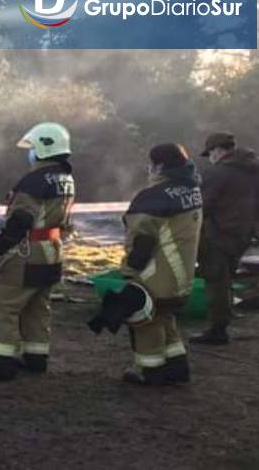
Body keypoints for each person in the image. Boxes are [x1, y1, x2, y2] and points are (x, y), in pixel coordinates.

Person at [88, 144, 202, 385]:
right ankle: (177, 365)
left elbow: (142, 242)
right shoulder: (192, 188)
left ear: (159, 165)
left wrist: (129, 274)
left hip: (156, 274)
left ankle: (149, 371)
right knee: (164, 316)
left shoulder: (153, 197)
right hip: (181, 275)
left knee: (144, 321)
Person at [0, 122, 75, 381]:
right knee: (38, 307)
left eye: (32, 148)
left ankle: (1, 364)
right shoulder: (66, 178)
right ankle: (36, 357)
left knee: (5, 307)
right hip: (52, 250)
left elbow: (21, 220)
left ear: (42, 148)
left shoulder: (33, 181)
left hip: (26, 253)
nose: (30, 153)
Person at [191, 133, 259, 345]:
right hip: (243, 234)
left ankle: (217, 330)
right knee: (227, 276)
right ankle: (225, 318)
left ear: (218, 150)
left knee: (216, 282)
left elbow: (202, 206)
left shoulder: (218, 172)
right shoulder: (253, 170)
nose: (209, 157)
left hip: (218, 234)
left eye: (209, 153)